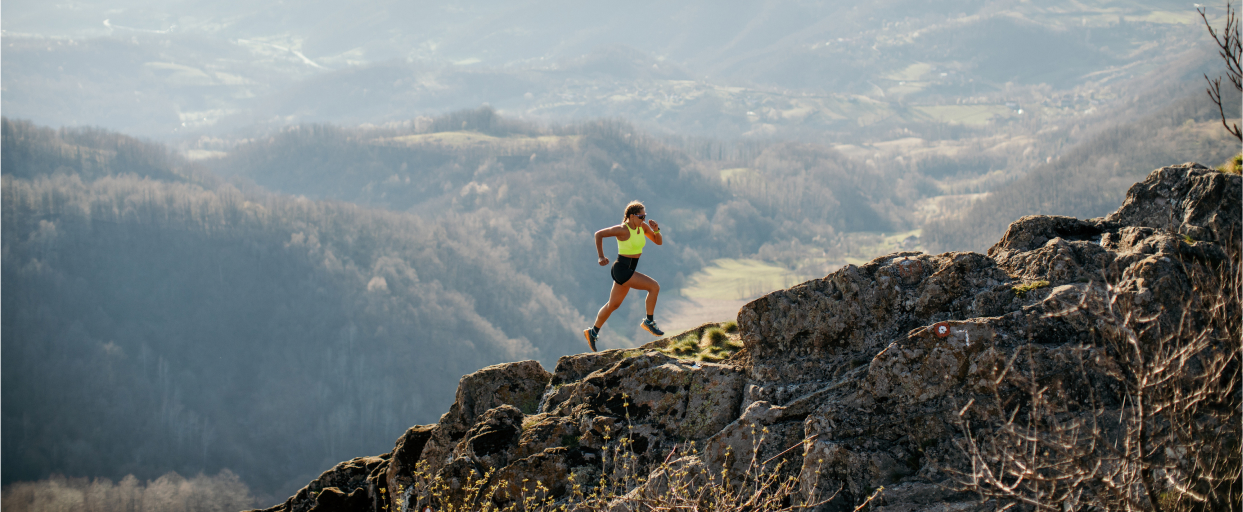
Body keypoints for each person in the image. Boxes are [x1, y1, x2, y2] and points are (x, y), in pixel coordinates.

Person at [584, 200, 665, 351]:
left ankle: (592, 332)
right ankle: (649, 322)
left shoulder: (643, 227)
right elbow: (598, 234)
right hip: (622, 269)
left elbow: (658, 242)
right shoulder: (623, 229)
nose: (643, 219)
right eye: (641, 216)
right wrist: (601, 256)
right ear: (631, 216)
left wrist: (656, 230)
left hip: (629, 269)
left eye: (644, 216)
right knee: (654, 287)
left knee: (613, 305)